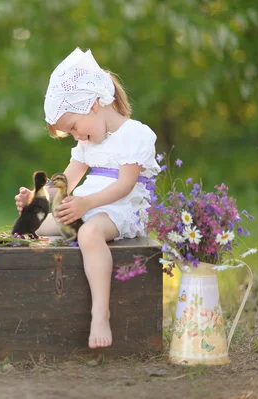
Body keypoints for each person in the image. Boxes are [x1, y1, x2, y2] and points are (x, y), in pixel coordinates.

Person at [14, 48, 160, 349]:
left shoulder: (136, 135)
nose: (77, 136)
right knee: (34, 227)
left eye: (74, 127)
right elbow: (67, 179)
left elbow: (125, 186)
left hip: (120, 209)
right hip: (88, 206)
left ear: (93, 105)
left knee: (91, 233)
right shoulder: (87, 143)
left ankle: (99, 312)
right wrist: (36, 201)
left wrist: (87, 205)